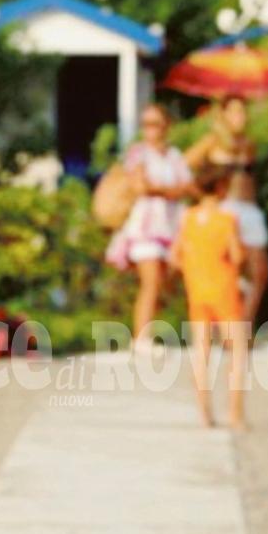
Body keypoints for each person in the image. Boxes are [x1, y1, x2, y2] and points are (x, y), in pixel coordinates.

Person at [107, 104, 194, 354]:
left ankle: (151, 331)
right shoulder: (138, 153)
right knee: (151, 280)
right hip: (145, 227)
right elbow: (140, 186)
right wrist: (168, 190)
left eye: (155, 124)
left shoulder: (174, 155)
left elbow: (186, 186)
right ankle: (141, 337)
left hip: (170, 226)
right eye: (146, 124)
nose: (150, 130)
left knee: (163, 282)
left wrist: (161, 189)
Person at [172, 163, 250, 431]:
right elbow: (237, 256)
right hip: (224, 289)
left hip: (197, 291)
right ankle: (235, 414)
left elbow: (175, 256)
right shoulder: (227, 220)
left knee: (201, 352)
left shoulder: (188, 218)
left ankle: (205, 414)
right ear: (221, 188)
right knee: (237, 353)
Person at [223, 169, 268, 325]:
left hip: (241, 211)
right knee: (252, 277)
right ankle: (238, 330)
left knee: (253, 279)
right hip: (235, 212)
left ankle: (240, 328)